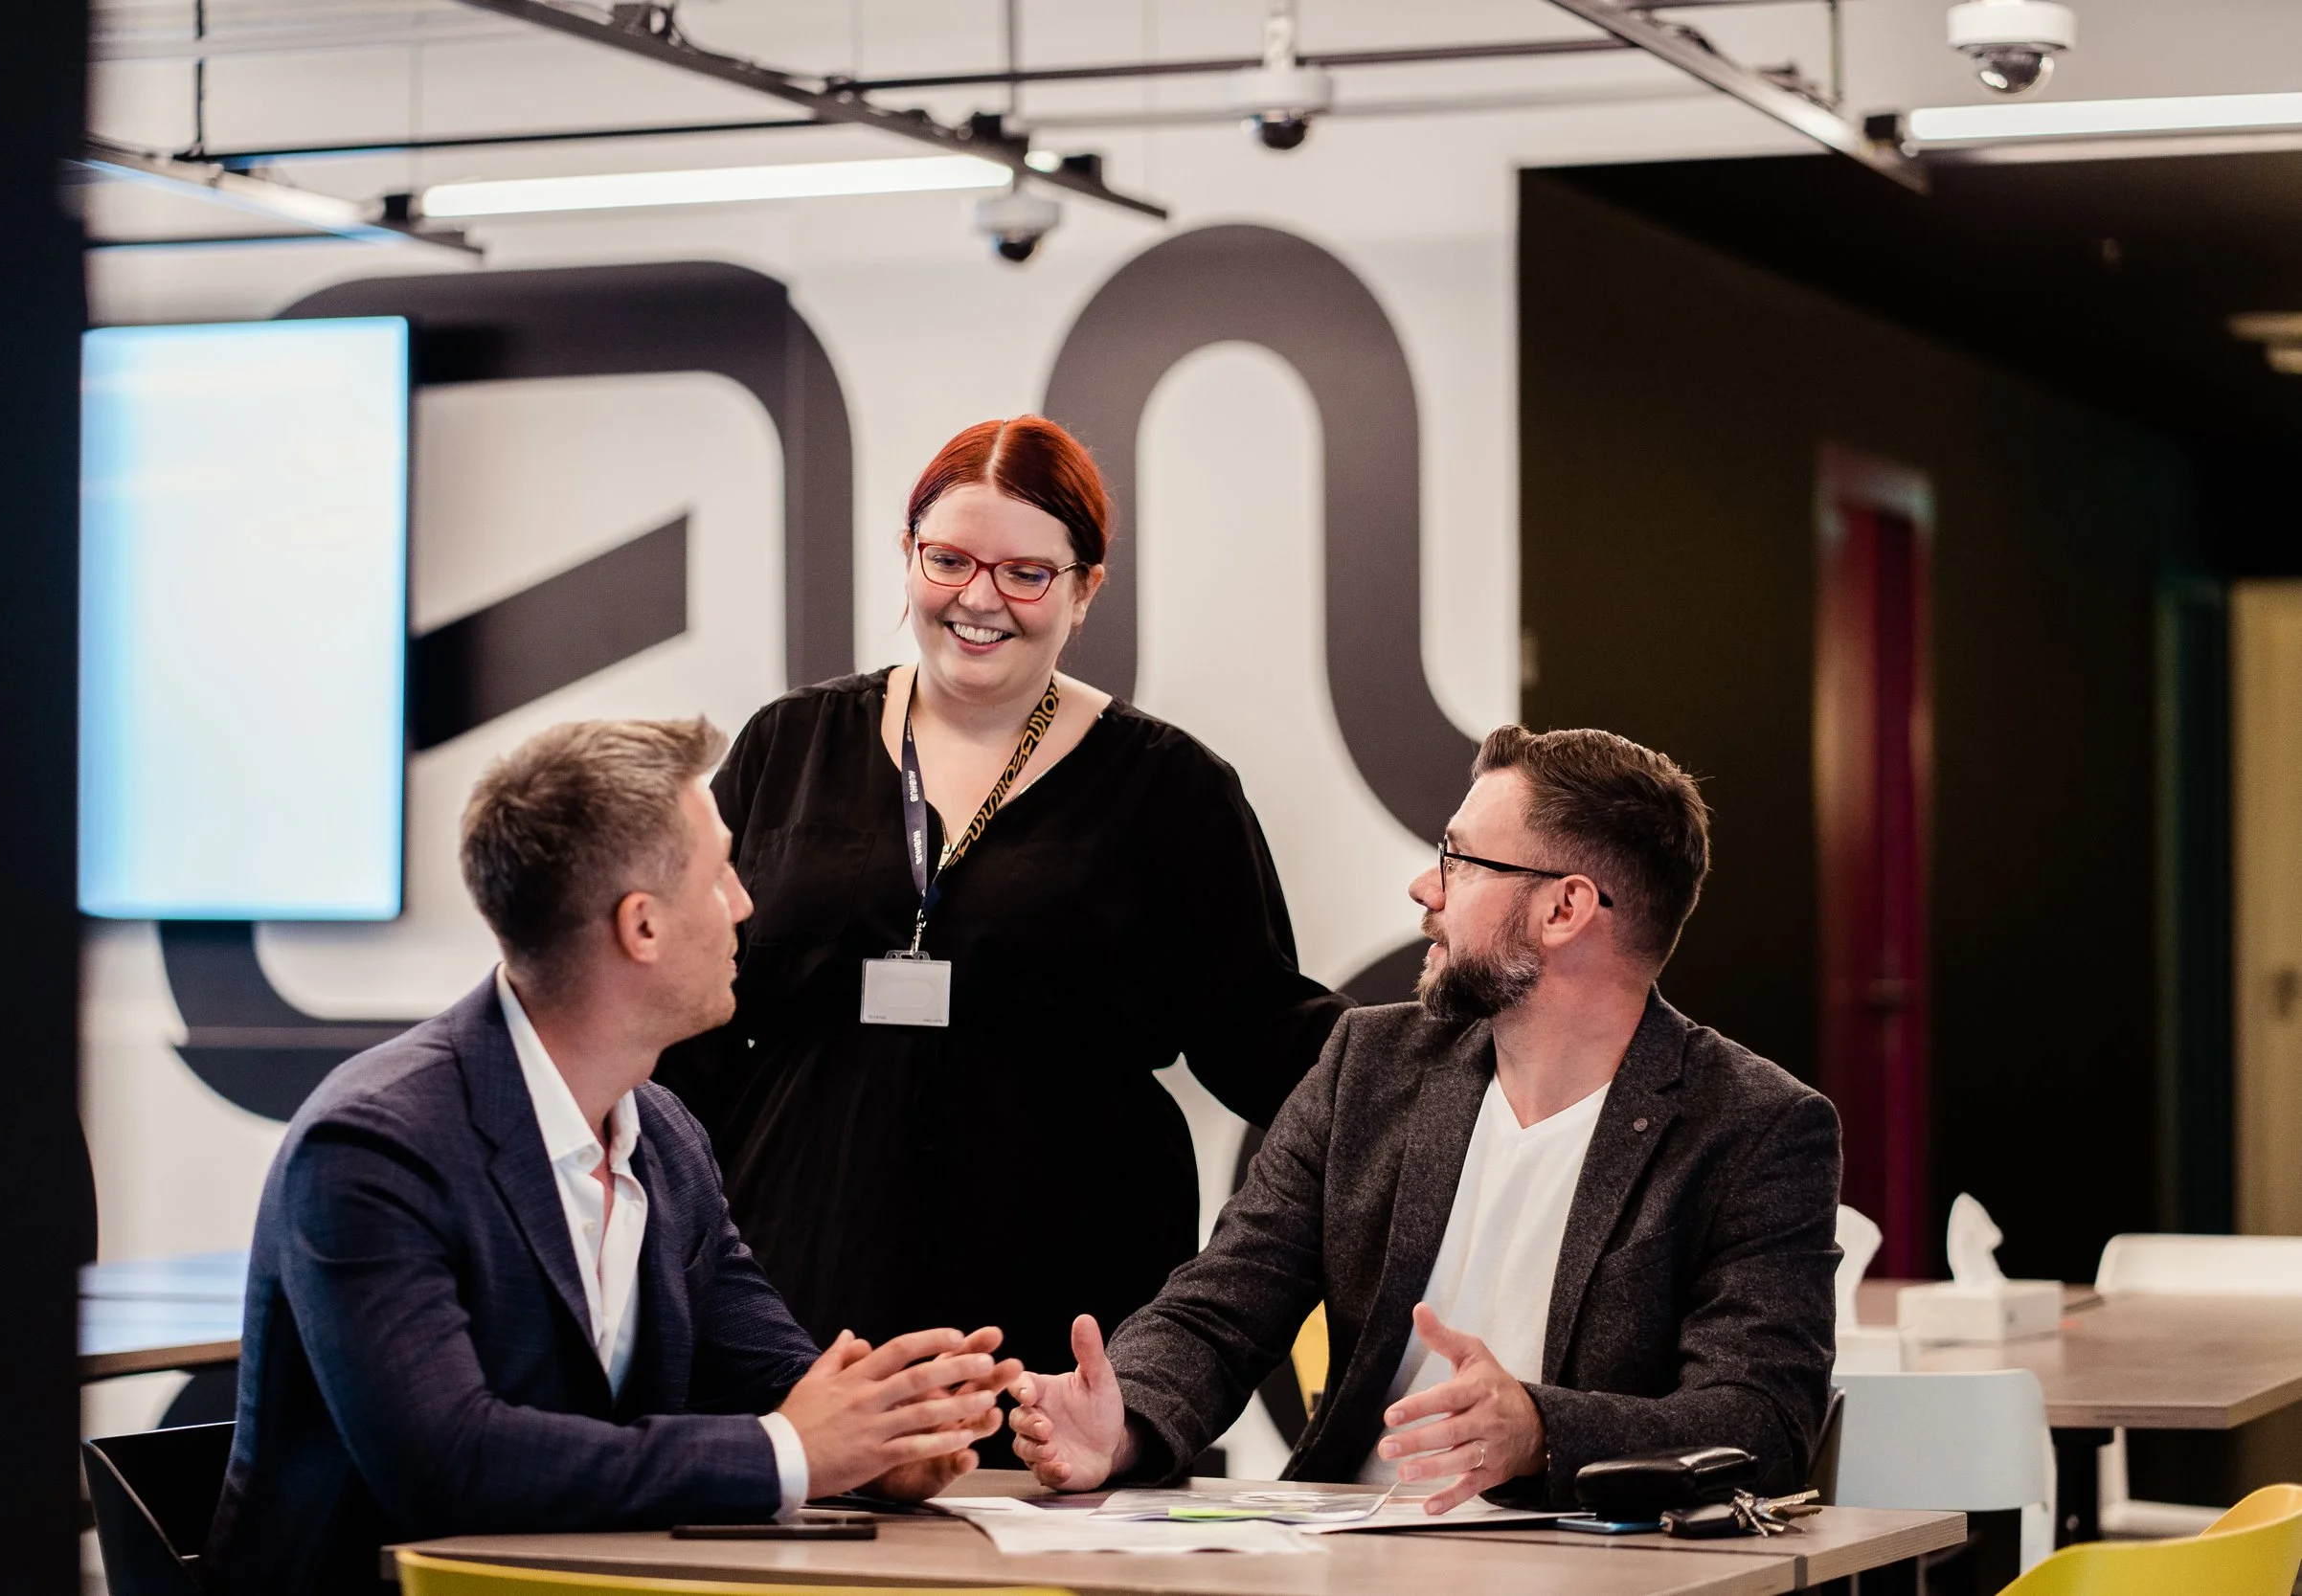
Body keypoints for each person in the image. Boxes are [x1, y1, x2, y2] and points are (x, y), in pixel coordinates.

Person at [653, 416, 1348, 1453]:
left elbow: (1263, 1035)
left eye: (1027, 572)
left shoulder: (1171, 791)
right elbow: (690, 1027)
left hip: (1057, 1305)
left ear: (1085, 588)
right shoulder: (788, 744)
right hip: (796, 1284)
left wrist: (1464, 1069)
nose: (979, 599)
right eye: (950, 560)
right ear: (910, 555)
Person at [205, 718, 1020, 1596]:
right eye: (719, 875)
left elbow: (772, 1377)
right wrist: (790, 1451)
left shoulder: (664, 1133)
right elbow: (450, 1465)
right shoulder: (372, 1147)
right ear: (642, 926)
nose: (746, 903)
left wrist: (881, 1439)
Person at [1007, 726, 1840, 1512]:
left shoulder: (1757, 1127)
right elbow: (1222, 1307)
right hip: (1348, 1554)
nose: (1424, 886)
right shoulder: (1367, 1065)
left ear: (1565, 909)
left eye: (1460, 860)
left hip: (1594, 1568)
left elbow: (1762, 1421)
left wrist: (1542, 1432)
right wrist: (1125, 1422)